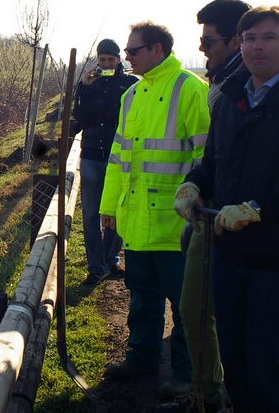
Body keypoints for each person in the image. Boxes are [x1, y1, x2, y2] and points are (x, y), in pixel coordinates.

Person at [175, 6, 279, 412]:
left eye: (269, 38)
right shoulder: (230, 100)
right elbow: (214, 164)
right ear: (241, 44)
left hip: (276, 260)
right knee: (236, 365)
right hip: (228, 254)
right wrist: (194, 185)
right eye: (250, 38)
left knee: (268, 370)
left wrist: (257, 208)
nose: (258, 46)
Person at [100, 22, 210, 398]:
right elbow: (118, 157)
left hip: (175, 223)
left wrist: (196, 201)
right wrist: (108, 207)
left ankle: (185, 373)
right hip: (137, 220)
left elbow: (205, 155)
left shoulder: (190, 89)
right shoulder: (131, 94)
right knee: (142, 294)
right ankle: (143, 357)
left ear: (157, 49)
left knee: (185, 306)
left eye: (132, 51)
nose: (126, 57)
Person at [158, 0, 251, 413]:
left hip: (238, 219)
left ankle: (222, 397)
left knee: (230, 319)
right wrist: (195, 186)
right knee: (195, 310)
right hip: (210, 211)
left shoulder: (246, 88)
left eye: (209, 41)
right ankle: (207, 397)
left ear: (235, 41)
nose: (202, 49)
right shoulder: (223, 82)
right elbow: (212, 156)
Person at [72, 38, 138, 285]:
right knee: (90, 214)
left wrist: (97, 107)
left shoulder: (130, 84)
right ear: (98, 60)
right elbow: (79, 116)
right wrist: (84, 88)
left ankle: (112, 259)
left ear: (119, 60)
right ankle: (96, 266)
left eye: (111, 59)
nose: (107, 63)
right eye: (102, 59)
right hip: (91, 155)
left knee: (117, 211)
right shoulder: (91, 84)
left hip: (118, 157)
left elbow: (118, 112)